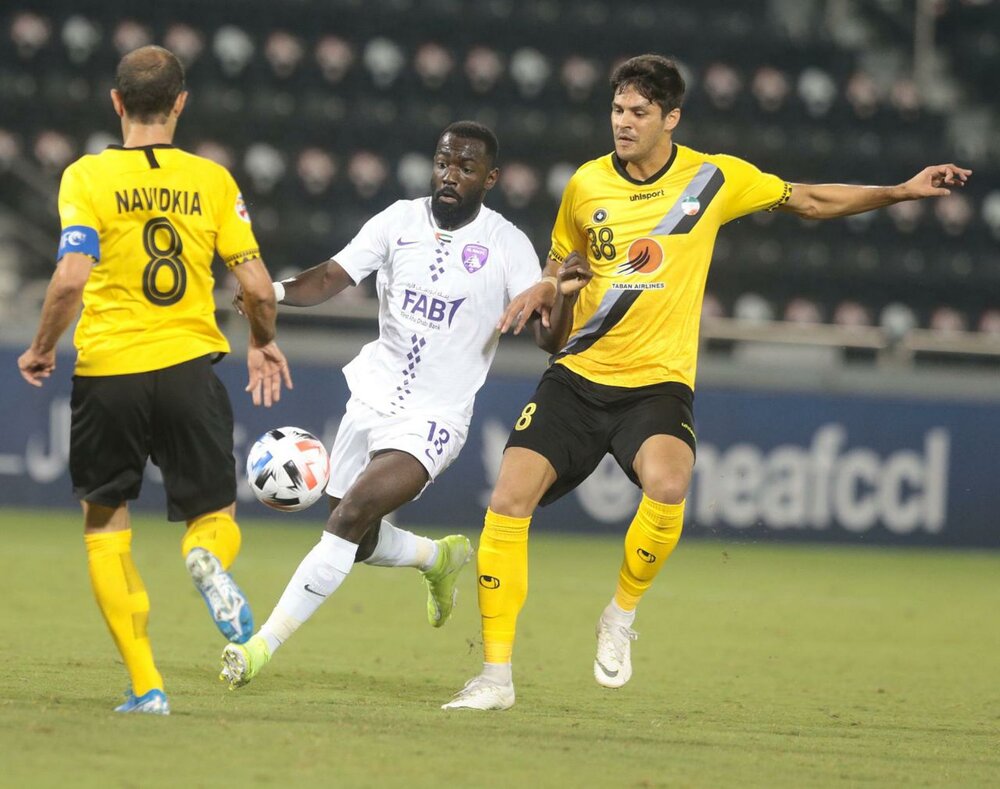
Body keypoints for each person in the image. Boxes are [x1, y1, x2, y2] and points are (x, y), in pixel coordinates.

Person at [443, 53, 972, 711]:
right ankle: (495, 677)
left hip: (657, 384)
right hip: (577, 375)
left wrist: (898, 191)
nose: (624, 122)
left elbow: (806, 198)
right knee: (507, 500)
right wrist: (551, 285)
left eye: (639, 112)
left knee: (669, 482)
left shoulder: (714, 178)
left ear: (672, 118)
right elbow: (561, 259)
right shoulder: (585, 184)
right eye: (616, 110)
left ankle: (620, 614)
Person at [219, 121, 590, 691]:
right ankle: (434, 558)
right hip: (370, 398)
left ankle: (259, 647)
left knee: (345, 519)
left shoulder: (506, 245)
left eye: (466, 168)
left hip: (436, 416)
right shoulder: (397, 220)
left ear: (489, 179)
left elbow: (549, 339)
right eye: (444, 163)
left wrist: (561, 297)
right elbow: (331, 277)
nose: (450, 175)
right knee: (358, 536)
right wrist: (275, 292)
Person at [17, 45, 293, 715]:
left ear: (115, 103)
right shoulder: (213, 180)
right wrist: (261, 340)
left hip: (110, 371)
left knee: (105, 525)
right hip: (187, 367)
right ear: (181, 103)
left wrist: (41, 347)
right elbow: (256, 284)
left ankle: (147, 685)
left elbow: (72, 276)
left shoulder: (85, 177)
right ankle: (208, 562)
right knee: (214, 516)